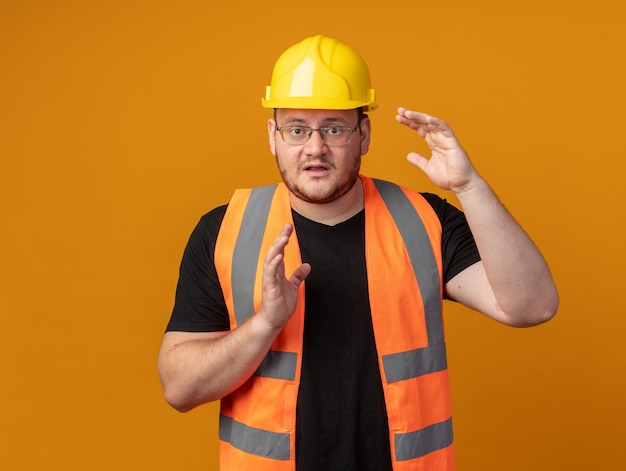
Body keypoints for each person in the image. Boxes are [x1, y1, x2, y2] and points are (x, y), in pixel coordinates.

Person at [158, 35, 558, 471]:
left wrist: (469, 187)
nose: (315, 148)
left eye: (334, 127)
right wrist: (265, 325)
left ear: (363, 134)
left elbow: (532, 306)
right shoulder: (225, 230)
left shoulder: (424, 219)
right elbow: (179, 389)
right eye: (296, 128)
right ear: (272, 137)